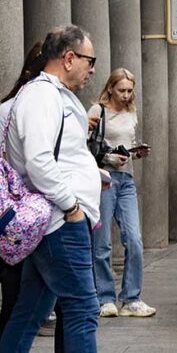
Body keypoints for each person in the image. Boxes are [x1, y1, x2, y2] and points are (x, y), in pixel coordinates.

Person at [0, 25, 102, 353]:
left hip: (55, 219)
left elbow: (59, 156)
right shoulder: (42, 95)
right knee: (82, 309)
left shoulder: (50, 94)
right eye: (90, 60)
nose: (93, 68)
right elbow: (39, 160)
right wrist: (72, 207)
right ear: (69, 57)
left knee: (31, 310)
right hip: (60, 221)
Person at [87, 69, 156, 318]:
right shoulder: (97, 111)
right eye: (122, 90)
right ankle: (104, 297)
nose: (126, 95)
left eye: (129, 90)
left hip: (126, 179)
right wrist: (107, 158)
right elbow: (83, 146)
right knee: (102, 241)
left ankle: (131, 298)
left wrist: (136, 153)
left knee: (134, 240)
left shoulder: (131, 113)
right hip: (103, 179)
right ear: (110, 89)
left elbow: (127, 144)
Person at [0, 42, 46, 336]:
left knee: (18, 296)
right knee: (16, 295)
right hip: (17, 215)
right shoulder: (13, 109)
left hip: (23, 215)